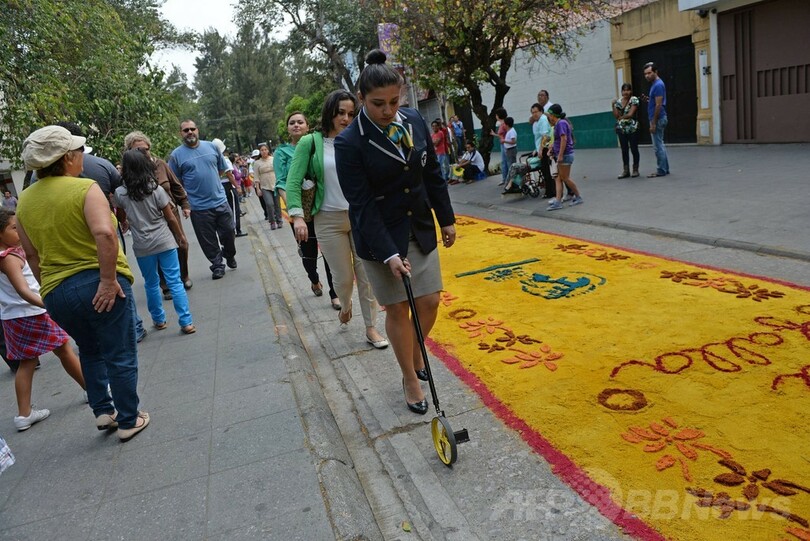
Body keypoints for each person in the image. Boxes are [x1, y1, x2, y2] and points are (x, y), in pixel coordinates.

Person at [335, 50, 456, 415]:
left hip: (418, 224)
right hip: (379, 236)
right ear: (361, 98)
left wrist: (445, 217)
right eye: (378, 104)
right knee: (399, 307)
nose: (388, 110)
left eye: (394, 101)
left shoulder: (414, 119)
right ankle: (409, 378)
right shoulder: (350, 143)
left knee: (430, 301)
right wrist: (389, 254)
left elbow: (430, 172)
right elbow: (362, 204)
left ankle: (416, 351)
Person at [17, 125, 149, 441]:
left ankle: (103, 410)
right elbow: (104, 233)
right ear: (66, 158)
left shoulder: (24, 201)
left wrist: (49, 288)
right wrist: (107, 280)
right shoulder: (85, 188)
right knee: (119, 352)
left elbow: (32, 255)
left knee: (89, 350)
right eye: (77, 152)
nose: (81, 157)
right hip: (97, 281)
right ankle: (129, 419)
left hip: (56, 291)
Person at [286, 89, 388, 349]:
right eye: (340, 113)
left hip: (360, 217)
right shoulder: (310, 142)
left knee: (367, 275)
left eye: (351, 114)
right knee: (342, 279)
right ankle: (345, 304)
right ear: (330, 113)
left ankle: (371, 328)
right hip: (328, 220)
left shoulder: (359, 139)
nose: (345, 119)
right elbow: (293, 181)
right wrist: (298, 217)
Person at [0, 209, 85, 431]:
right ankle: (93, 390)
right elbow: (23, 290)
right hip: (32, 313)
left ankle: (24, 414)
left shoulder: (7, 254)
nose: (19, 232)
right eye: (14, 228)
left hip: (14, 317)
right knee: (64, 349)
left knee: (27, 362)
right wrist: (46, 304)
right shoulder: (9, 258)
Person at [117, 150, 195, 335]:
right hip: (164, 240)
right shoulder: (155, 189)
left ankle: (159, 320)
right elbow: (170, 217)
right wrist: (180, 236)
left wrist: (127, 221)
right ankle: (186, 322)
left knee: (151, 284)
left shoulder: (121, 193)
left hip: (142, 245)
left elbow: (121, 216)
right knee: (175, 282)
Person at [275, 112, 340, 309]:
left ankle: (335, 293)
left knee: (329, 251)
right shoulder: (282, 152)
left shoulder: (317, 145)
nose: (296, 125)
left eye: (300, 122)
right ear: (287, 128)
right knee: (309, 253)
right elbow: (282, 183)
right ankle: (314, 279)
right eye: (292, 123)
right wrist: (297, 212)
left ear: (307, 126)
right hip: (300, 212)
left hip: (322, 206)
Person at [123, 131, 194, 296]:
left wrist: (185, 204)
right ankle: (165, 284)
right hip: (148, 218)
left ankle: (184, 276)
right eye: (138, 150)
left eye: (146, 149)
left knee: (181, 244)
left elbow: (175, 185)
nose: (143, 153)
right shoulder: (129, 173)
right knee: (158, 250)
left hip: (171, 213)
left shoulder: (160, 164)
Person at [168, 120, 237, 280]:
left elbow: (221, 169)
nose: (190, 132)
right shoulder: (176, 155)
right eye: (186, 130)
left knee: (229, 232)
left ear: (197, 130)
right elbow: (176, 181)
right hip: (198, 207)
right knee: (207, 240)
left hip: (220, 201)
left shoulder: (211, 147)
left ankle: (229, 254)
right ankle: (217, 265)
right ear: (181, 133)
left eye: (192, 129)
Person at [546, 104, 583, 211]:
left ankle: (578, 196)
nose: (549, 117)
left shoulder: (561, 123)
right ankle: (558, 200)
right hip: (563, 154)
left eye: (550, 115)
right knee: (560, 178)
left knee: (565, 178)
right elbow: (558, 140)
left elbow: (564, 139)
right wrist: (553, 148)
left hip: (565, 155)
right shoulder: (559, 123)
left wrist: (560, 155)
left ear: (553, 115)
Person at [211, 138, 246, 238]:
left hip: (218, 186)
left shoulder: (212, 160)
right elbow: (229, 174)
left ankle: (228, 230)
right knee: (234, 209)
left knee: (224, 209)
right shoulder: (224, 159)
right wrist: (237, 186)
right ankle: (236, 230)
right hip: (228, 186)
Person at [644, 62, 669, 178]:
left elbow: (658, 105)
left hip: (658, 119)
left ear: (655, 72)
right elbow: (656, 102)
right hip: (658, 118)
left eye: (649, 73)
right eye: (645, 74)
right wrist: (649, 100)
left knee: (658, 146)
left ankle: (661, 170)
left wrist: (653, 123)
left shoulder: (658, 85)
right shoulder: (655, 84)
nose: (647, 76)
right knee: (660, 144)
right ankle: (665, 168)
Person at [614, 83, 641, 178]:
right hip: (621, 129)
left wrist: (621, 118)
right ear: (621, 92)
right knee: (624, 149)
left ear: (631, 91)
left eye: (628, 90)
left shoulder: (634, 100)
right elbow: (616, 116)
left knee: (634, 148)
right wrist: (613, 105)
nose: (626, 92)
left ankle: (635, 169)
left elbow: (630, 114)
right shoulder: (618, 102)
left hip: (632, 128)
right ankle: (626, 170)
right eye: (624, 90)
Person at [253, 143, 283, 229]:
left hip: (275, 185)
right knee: (269, 204)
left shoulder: (273, 159)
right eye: (262, 150)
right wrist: (258, 189)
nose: (264, 151)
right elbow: (256, 177)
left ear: (268, 150)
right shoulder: (257, 163)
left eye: (265, 149)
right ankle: (272, 221)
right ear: (259, 152)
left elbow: (279, 171)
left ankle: (279, 220)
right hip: (264, 187)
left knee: (277, 204)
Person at [490, 107, 509, 185]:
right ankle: (506, 178)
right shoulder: (503, 124)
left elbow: (504, 135)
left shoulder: (503, 124)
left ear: (498, 115)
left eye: (496, 115)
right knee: (505, 162)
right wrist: (494, 134)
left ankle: (506, 179)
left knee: (505, 162)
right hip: (503, 144)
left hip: (505, 144)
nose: (495, 116)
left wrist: (495, 134)